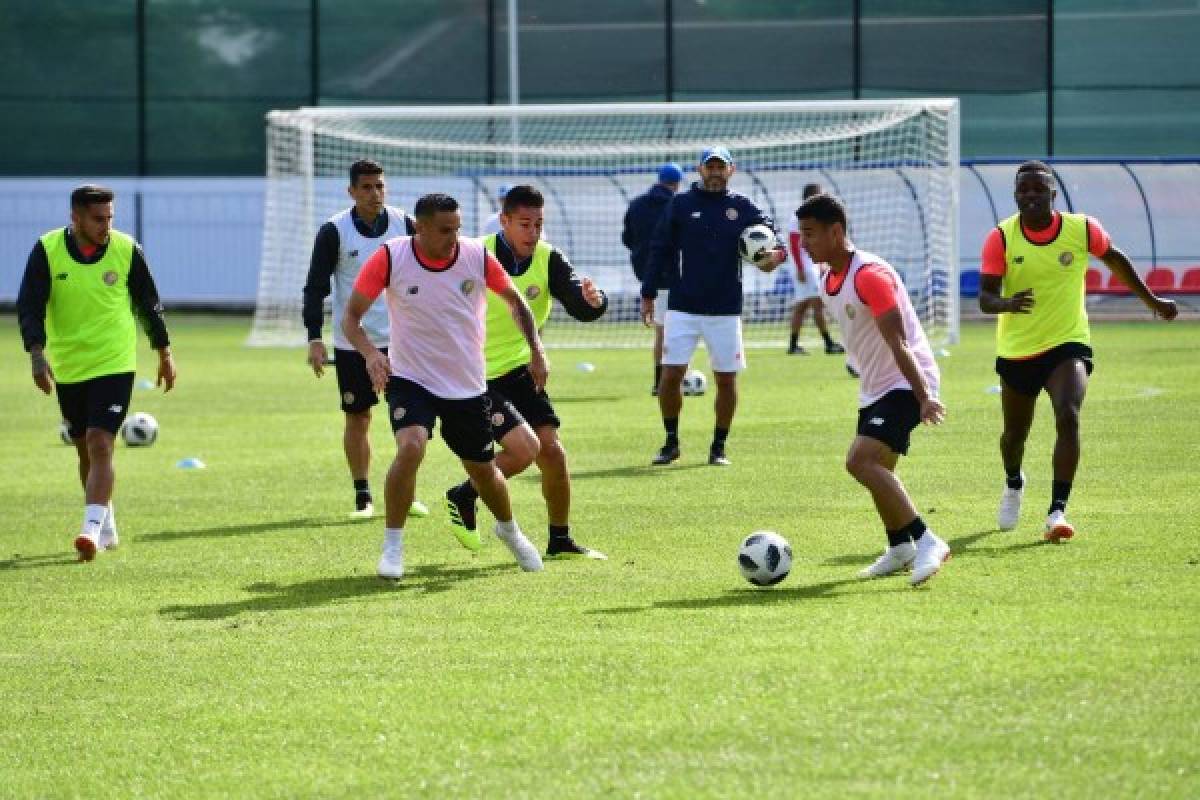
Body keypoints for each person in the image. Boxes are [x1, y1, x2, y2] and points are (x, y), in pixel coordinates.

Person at [341, 192, 548, 579]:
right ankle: (393, 546)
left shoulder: (475, 256)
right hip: (410, 377)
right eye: (443, 230)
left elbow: (517, 303)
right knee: (411, 446)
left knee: (483, 470)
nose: (453, 238)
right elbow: (351, 317)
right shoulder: (391, 257)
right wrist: (371, 354)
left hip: (466, 383)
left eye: (457, 228)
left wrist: (537, 351)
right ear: (419, 227)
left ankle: (510, 531)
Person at [979, 160, 1177, 541]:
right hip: (1018, 349)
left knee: (1068, 416)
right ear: (1016, 196)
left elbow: (1115, 260)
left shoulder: (1081, 229)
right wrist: (1006, 304)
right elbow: (985, 297)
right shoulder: (1001, 238)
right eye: (1024, 190)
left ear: (1053, 193)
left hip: (1067, 343)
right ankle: (1014, 481)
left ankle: (1057, 511)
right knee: (1013, 437)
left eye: (1039, 189)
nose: (1031, 196)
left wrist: (1152, 300)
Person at [445, 185, 609, 559]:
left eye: (539, 224)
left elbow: (577, 303)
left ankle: (560, 540)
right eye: (525, 224)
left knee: (553, 453)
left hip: (521, 370)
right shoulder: (474, 254)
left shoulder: (548, 259)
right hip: (475, 375)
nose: (533, 233)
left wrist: (594, 302)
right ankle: (464, 494)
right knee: (522, 452)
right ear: (504, 221)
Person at [16, 184, 176, 561]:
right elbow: (30, 306)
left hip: (115, 361)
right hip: (70, 365)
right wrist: (36, 355)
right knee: (83, 448)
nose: (105, 226)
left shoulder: (125, 249)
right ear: (75, 217)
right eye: (97, 218)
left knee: (100, 441)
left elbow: (148, 304)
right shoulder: (47, 250)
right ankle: (106, 523)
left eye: (109, 218)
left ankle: (88, 530)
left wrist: (164, 351)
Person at [798, 192, 950, 587]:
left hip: (906, 381)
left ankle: (927, 540)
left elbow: (900, 343)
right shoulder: (826, 275)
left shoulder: (870, 276)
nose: (805, 243)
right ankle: (900, 547)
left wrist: (924, 395)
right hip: (876, 386)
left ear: (836, 232)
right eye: (802, 235)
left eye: (811, 234)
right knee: (879, 469)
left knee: (860, 462)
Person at [640, 146, 786, 467]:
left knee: (726, 381)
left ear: (731, 170)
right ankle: (671, 441)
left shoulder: (742, 207)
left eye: (722, 166)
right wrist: (648, 293)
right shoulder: (680, 205)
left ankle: (719, 446)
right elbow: (659, 247)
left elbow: (774, 239)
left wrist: (776, 256)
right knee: (669, 376)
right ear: (700, 169)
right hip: (683, 306)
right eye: (710, 166)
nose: (716, 172)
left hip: (725, 309)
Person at [302, 159, 427, 519]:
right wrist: (314, 337)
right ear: (352, 191)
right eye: (367, 187)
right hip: (352, 342)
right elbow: (315, 287)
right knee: (359, 418)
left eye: (380, 186)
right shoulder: (334, 231)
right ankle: (363, 496)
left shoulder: (405, 224)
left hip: (403, 341)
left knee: (411, 420)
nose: (376, 194)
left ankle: (407, 493)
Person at [622, 162, 683, 395]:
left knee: (662, 329)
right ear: (676, 184)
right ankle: (667, 382)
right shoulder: (676, 204)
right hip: (673, 275)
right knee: (674, 330)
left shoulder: (636, 205)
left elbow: (628, 238)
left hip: (647, 275)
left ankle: (662, 380)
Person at [783, 182, 845, 357]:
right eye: (819, 194)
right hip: (805, 268)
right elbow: (795, 245)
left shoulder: (811, 217)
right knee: (818, 303)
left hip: (810, 266)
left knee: (802, 306)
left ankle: (793, 345)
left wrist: (820, 264)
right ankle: (828, 343)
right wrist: (801, 268)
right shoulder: (798, 218)